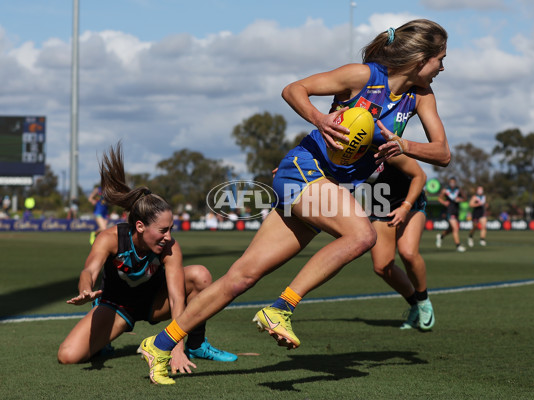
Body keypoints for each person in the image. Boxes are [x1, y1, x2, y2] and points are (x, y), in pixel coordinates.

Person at [138, 19, 451, 384]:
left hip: (326, 185)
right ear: (419, 59)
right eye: (440, 59)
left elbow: (442, 153)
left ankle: (158, 344)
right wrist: (321, 119)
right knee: (362, 236)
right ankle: (281, 308)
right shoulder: (364, 75)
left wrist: (405, 145)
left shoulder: (421, 96)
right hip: (305, 169)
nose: (443, 67)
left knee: (241, 277)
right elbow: (294, 89)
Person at [57, 144, 236, 382]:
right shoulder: (110, 238)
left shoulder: (170, 247)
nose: (169, 236)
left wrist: (176, 348)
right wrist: (85, 291)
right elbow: (88, 270)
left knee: (199, 275)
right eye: (163, 230)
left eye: (171, 229)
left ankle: (196, 344)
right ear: (140, 227)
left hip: (154, 303)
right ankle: (104, 342)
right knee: (68, 355)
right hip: (117, 308)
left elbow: (176, 299)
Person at [368, 155, 434, 331]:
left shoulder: (387, 152)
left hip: (409, 203)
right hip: (380, 206)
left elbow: (420, 176)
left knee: (408, 253)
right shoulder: (346, 156)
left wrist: (405, 207)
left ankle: (423, 301)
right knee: (382, 267)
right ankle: (414, 305)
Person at [436, 177, 466, 252]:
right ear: (449, 182)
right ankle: (458, 245)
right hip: (449, 211)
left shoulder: (459, 190)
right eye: (451, 182)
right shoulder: (445, 190)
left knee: (451, 229)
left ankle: (441, 236)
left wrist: (460, 199)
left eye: (453, 182)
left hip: (456, 211)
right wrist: (444, 202)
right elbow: (439, 198)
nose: (452, 183)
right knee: (455, 228)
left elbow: (465, 198)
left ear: (455, 182)